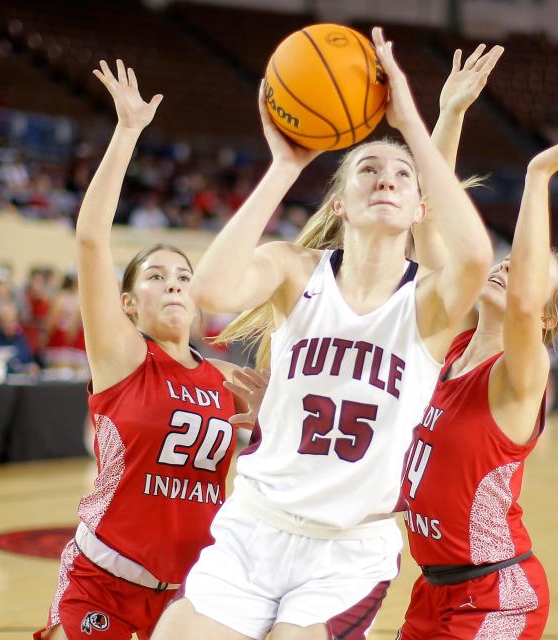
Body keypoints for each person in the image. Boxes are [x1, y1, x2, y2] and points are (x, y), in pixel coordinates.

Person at [152, 28, 494, 640]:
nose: (386, 178)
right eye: (368, 167)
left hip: (348, 549)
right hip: (254, 525)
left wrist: (417, 121)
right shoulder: (294, 269)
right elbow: (211, 290)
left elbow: (473, 256)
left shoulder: (428, 303)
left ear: (421, 209)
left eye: (403, 174)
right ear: (339, 202)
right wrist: (287, 164)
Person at [35, 60, 249, 640]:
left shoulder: (226, 378)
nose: (175, 283)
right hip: (104, 580)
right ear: (128, 304)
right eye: (155, 276)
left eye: (183, 275)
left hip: (190, 593)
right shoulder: (123, 357)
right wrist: (128, 130)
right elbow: (90, 239)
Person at [397, 125, 558, 640]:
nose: (510, 265)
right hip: (433, 587)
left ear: (545, 319)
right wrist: (449, 114)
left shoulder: (521, 373)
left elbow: (518, 307)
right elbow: (426, 230)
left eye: (529, 273)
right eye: (509, 261)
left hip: (496, 594)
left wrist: (537, 176)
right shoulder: (447, 346)